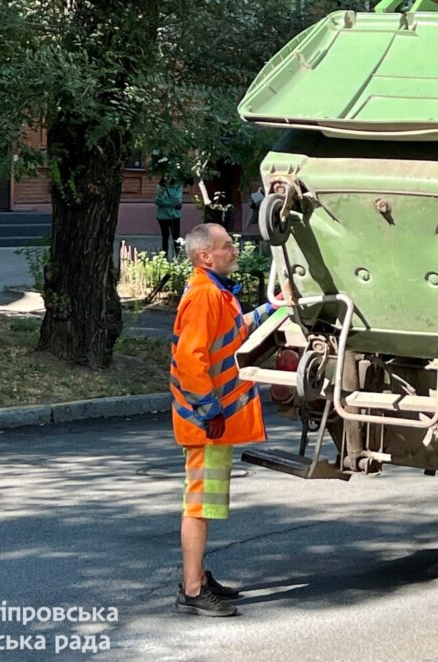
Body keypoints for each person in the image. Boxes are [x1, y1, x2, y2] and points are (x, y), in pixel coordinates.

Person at [171, 222, 275, 617]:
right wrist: (209, 411)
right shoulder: (203, 297)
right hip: (206, 422)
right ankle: (193, 589)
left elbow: (235, 332)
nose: (235, 250)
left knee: (205, 502)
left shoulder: (214, 293)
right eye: (228, 246)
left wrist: (275, 306)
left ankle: (195, 576)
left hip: (208, 420)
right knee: (199, 503)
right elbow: (190, 360)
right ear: (205, 256)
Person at [155, 176, 184, 258]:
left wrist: (164, 203)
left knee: (176, 237)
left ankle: (178, 257)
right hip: (162, 216)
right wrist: (171, 203)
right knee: (165, 237)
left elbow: (177, 200)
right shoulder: (160, 187)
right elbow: (157, 200)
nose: (167, 178)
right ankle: (165, 256)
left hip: (174, 216)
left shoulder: (178, 186)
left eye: (169, 176)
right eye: (165, 176)